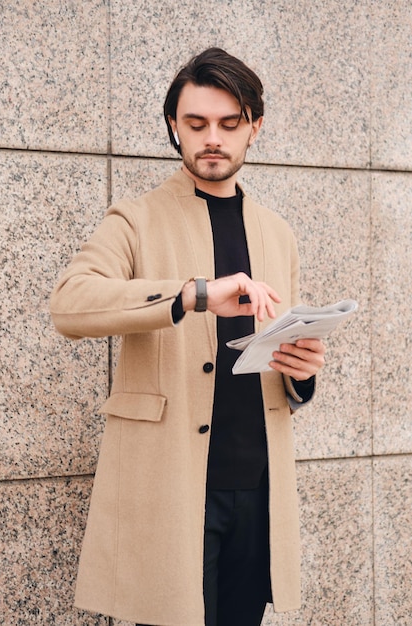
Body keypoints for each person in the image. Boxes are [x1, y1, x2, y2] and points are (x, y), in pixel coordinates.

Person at [50, 47, 325, 626]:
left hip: (258, 490)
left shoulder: (279, 233)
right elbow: (70, 304)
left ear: (255, 127)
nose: (212, 139)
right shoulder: (135, 218)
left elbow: (280, 360)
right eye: (196, 124)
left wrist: (302, 376)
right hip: (171, 491)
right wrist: (192, 294)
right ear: (173, 126)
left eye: (229, 124)